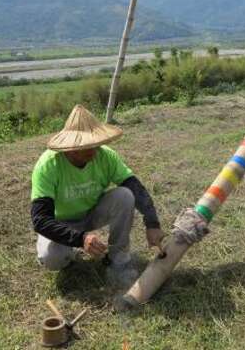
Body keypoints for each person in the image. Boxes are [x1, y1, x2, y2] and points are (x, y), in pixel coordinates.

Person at [30, 104, 164, 281]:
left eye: (96, 143)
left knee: (125, 195)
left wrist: (152, 223)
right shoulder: (48, 165)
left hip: (93, 213)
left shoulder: (105, 156)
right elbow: (40, 220)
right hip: (61, 222)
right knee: (51, 258)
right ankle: (68, 254)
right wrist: (80, 239)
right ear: (71, 146)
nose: (94, 150)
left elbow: (134, 186)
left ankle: (118, 259)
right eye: (87, 146)